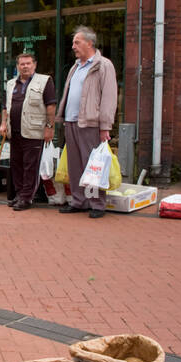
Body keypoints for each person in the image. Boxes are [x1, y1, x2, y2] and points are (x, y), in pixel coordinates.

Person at [56, 26, 118, 218]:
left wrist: (105, 126)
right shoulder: (76, 67)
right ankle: (78, 201)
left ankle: (97, 204)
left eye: (77, 42)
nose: (73, 46)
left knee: (93, 165)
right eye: (73, 42)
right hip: (72, 122)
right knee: (75, 165)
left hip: (90, 124)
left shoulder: (103, 65)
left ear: (89, 43)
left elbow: (109, 97)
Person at [0, 53, 57, 210]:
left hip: (34, 131)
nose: (25, 66)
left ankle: (26, 198)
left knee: (30, 166)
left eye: (28, 63)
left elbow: (51, 106)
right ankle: (19, 194)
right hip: (14, 131)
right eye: (22, 64)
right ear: (17, 66)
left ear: (35, 65)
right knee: (16, 164)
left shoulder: (45, 81)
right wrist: (3, 124)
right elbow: (5, 107)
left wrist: (50, 127)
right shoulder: (11, 84)